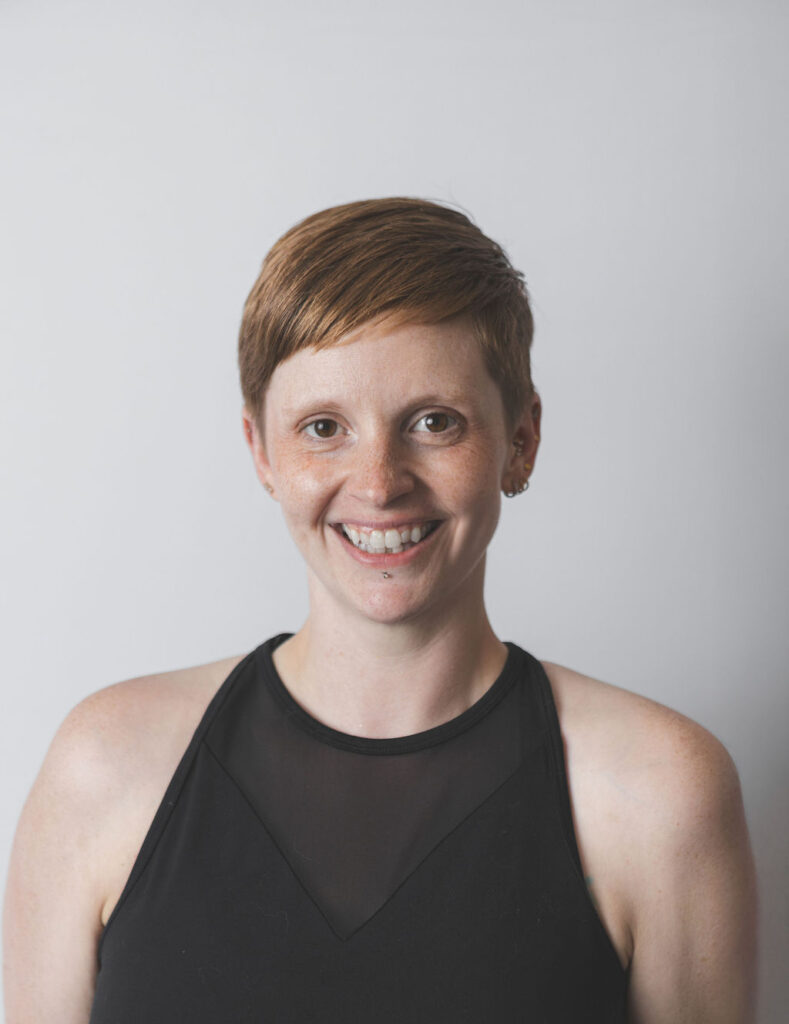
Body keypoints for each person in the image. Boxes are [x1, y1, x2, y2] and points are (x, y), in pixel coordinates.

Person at [3, 197, 757, 1022]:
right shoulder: (104, 768)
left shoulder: (659, 790)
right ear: (261, 450)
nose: (377, 483)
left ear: (521, 438)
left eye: (433, 423)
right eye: (323, 427)